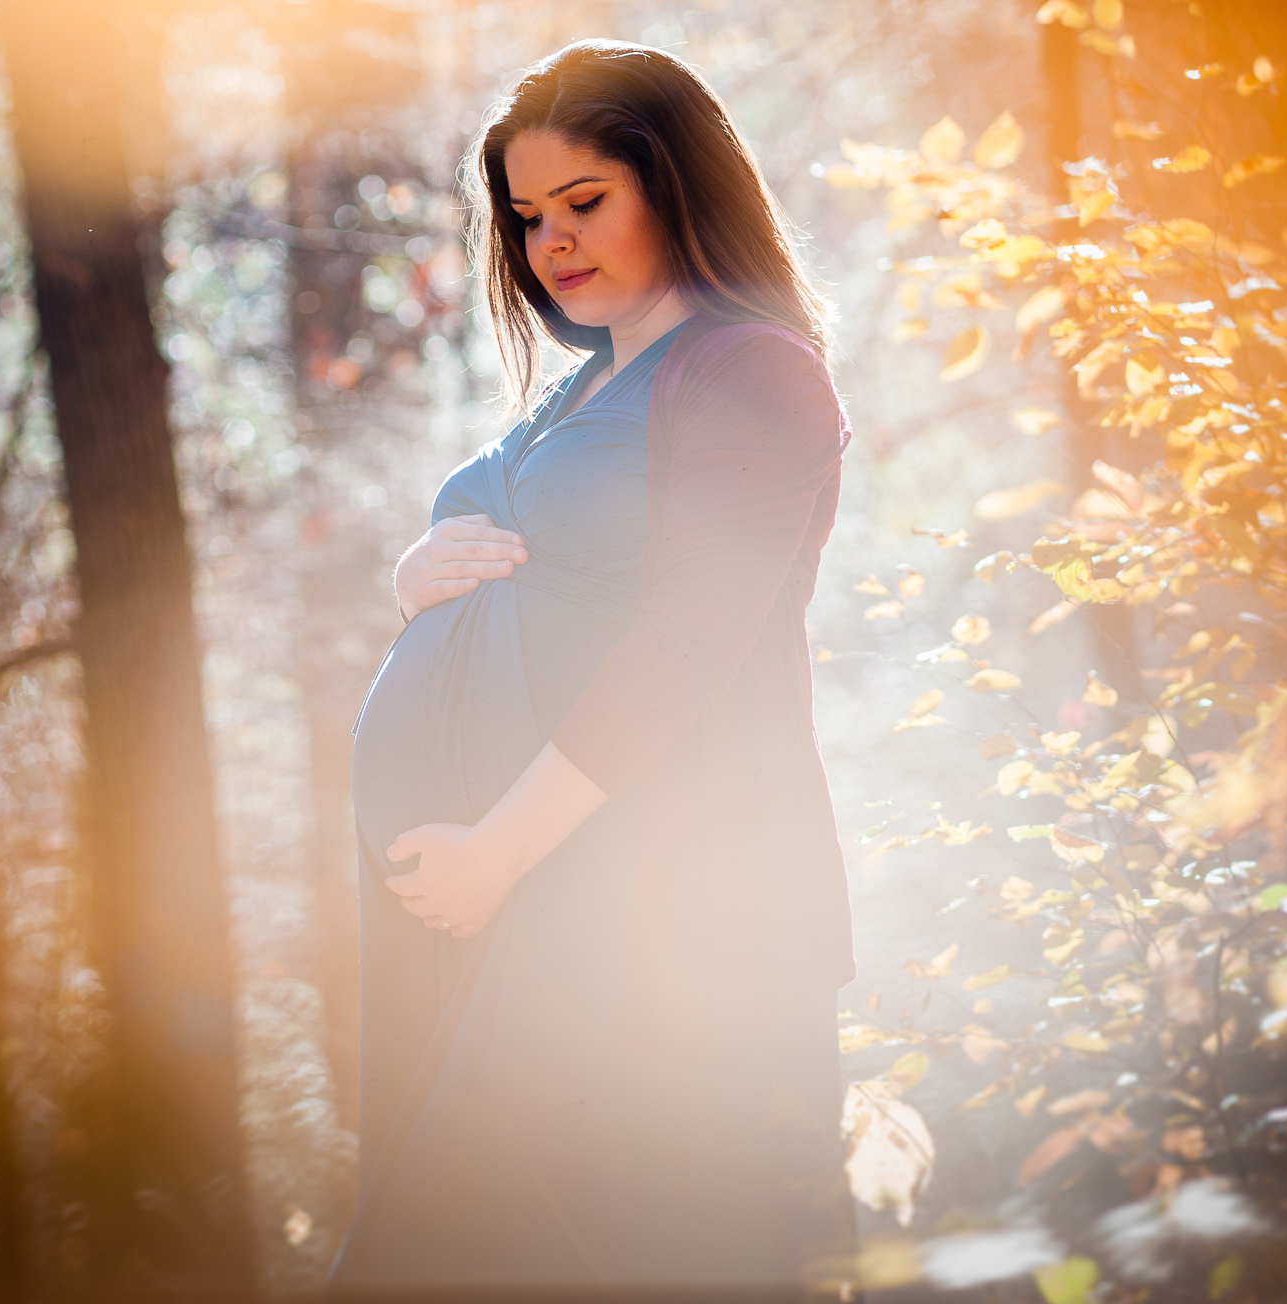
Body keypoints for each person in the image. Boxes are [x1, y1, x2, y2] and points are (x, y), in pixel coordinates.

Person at [331, 39, 855, 1302]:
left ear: (677, 185)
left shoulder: (751, 371)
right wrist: (415, 584)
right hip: (529, 912)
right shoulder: (576, 391)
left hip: (663, 918)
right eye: (524, 218)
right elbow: (528, 566)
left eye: (583, 203)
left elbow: (682, 647)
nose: (550, 244)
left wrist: (496, 851)